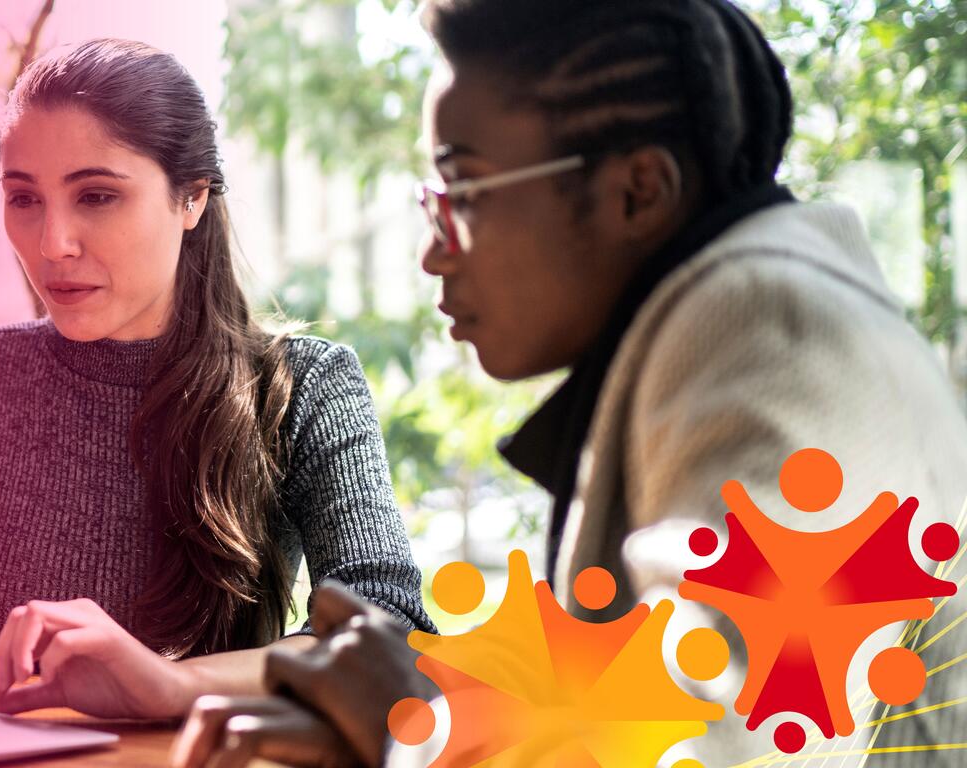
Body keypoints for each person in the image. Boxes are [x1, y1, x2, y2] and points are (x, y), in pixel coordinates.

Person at [173, 0, 967, 765]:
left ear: (637, 192)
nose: (433, 252)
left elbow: (706, 749)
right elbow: (635, 690)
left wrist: (410, 729)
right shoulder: (726, 321)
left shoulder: (785, 338)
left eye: (466, 192)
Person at [0, 38, 433, 718]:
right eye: (24, 199)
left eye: (97, 196)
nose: (53, 244)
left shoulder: (304, 388)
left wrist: (170, 686)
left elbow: (389, 636)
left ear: (191, 197)